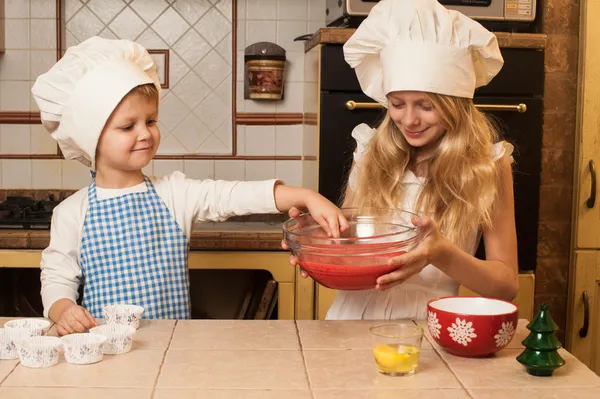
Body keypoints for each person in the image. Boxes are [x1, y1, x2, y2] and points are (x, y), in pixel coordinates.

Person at [32, 36, 348, 336]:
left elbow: (233, 196)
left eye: (151, 121)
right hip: (109, 353)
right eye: (129, 126)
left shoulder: (174, 193)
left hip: (174, 348)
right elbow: (57, 280)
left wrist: (306, 196)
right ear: (92, 137)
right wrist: (63, 311)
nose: (145, 133)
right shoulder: (72, 213)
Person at [284, 0, 518, 320]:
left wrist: (441, 253)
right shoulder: (370, 152)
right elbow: (351, 247)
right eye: (397, 103)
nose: (409, 120)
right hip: (350, 322)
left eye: (425, 105)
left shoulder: (488, 164)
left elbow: (506, 286)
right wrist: (316, 247)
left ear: (456, 105)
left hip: (429, 330)